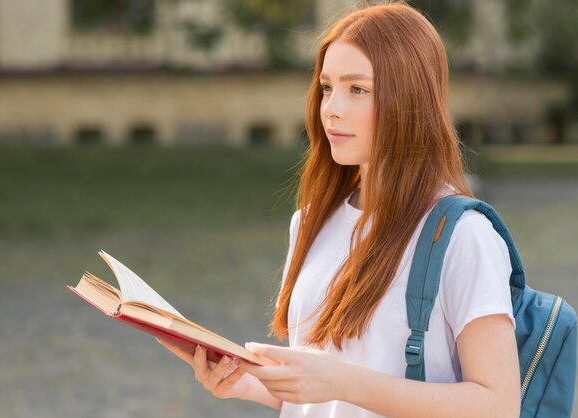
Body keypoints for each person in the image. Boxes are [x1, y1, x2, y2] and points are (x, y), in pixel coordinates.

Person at [159, 3, 521, 417]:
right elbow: (321, 397)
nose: (330, 107)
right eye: (327, 87)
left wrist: (343, 381)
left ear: (409, 99)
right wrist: (246, 383)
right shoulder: (312, 222)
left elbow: (499, 405)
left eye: (357, 89)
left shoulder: (462, 235)